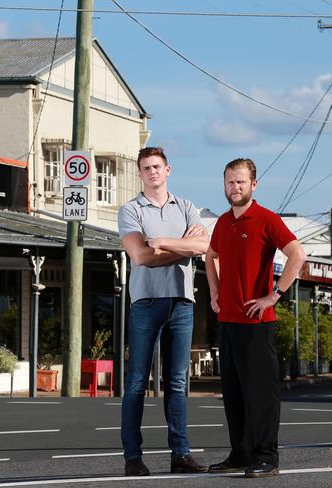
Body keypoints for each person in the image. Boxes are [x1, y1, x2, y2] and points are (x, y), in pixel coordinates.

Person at [205, 158, 306, 478]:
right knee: (234, 393)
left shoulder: (265, 219)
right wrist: (214, 291)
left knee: (261, 394)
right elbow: (211, 257)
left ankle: (267, 457)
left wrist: (274, 295)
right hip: (228, 322)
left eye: (240, 182)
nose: (234, 187)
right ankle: (241, 454)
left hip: (258, 324)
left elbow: (297, 254)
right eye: (230, 182)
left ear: (253, 185)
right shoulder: (222, 222)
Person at [118, 147, 209, 476]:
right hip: (146, 301)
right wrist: (181, 245)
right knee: (137, 382)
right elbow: (140, 257)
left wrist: (162, 242)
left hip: (182, 302)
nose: (152, 171)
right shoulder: (130, 210)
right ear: (140, 173)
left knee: (176, 383)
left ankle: (180, 454)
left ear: (168, 170)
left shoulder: (186, 207)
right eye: (146, 167)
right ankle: (132, 457)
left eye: (157, 166)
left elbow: (204, 246)